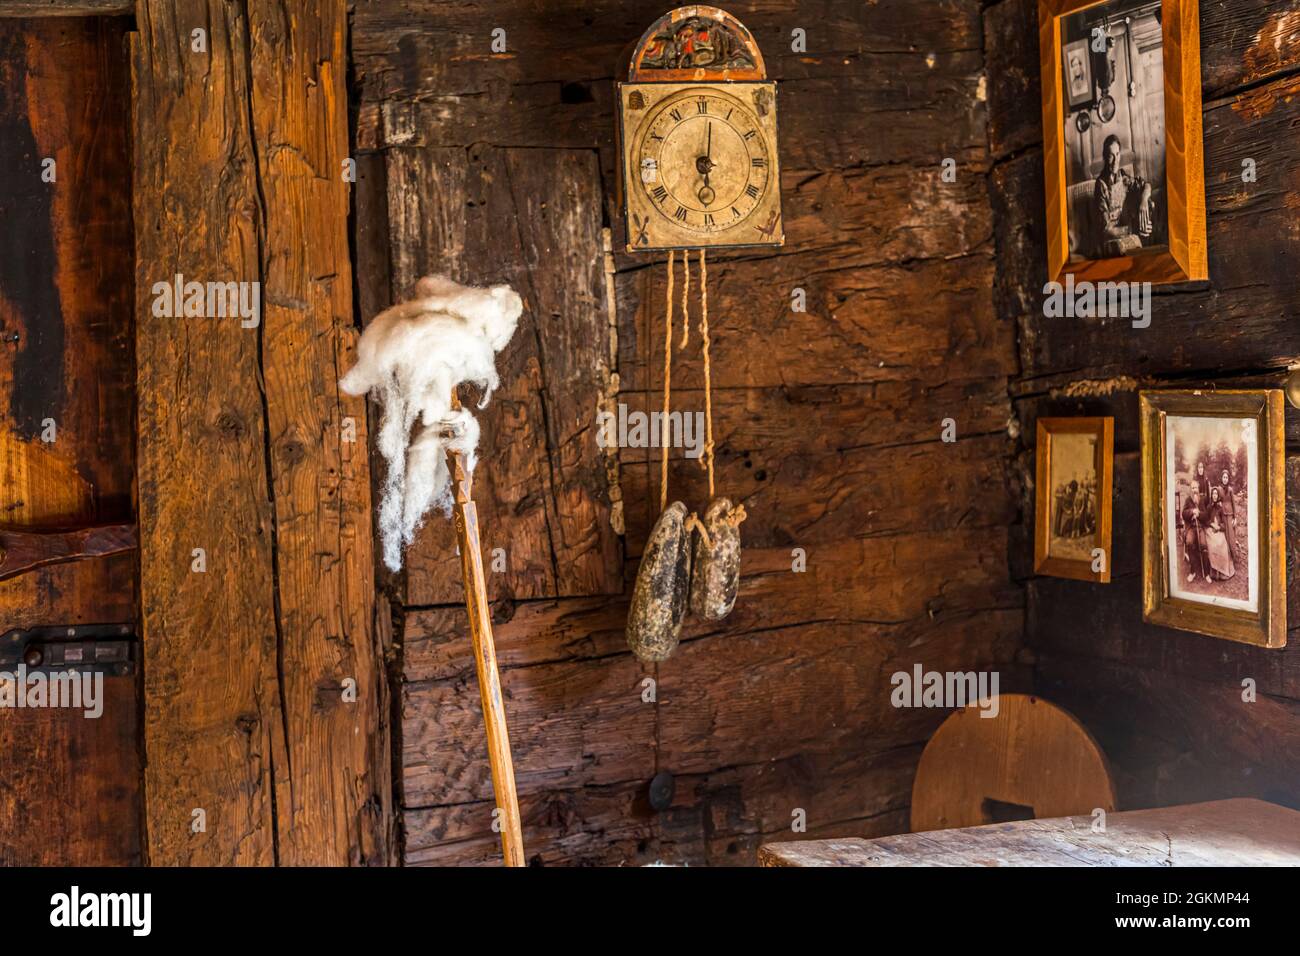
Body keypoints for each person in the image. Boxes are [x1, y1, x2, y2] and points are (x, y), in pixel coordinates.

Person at [1092, 134, 1153, 257]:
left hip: (1127, 235)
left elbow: (1146, 185)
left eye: (1118, 154)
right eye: (1111, 156)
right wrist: (1133, 229)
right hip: (1109, 241)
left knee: (1151, 204)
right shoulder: (1101, 185)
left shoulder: (1124, 178)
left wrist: (1144, 201)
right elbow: (1106, 230)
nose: (1115, 161)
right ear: (1105, 157)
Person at [1205, 487, 1235, 581]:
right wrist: (1212, 525)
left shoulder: (1220, 508)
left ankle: (1222, 571)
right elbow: (1206, 520)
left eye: (1216, 494)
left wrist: (1219, 527)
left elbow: (1223, 524)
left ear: (1218, 496)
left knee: (1221, 543)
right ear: (1211, 495)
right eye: (1213, 494)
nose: (1214, 496)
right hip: (1210, 530)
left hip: (1219, 531)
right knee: (1213, 544)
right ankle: (1214, 571)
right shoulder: (1209, 507)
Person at [1182, 489, 1210, 583]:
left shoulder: (1201, 500)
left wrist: (1199, 514)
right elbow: (1183, 514)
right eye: (1192, 488)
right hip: (1191, 528)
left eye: (1196, 488)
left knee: (1204, 545)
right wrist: (1192, 511)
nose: (1194, 490)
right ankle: (1192, 572)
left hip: (1200, 528)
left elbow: (1206, 516)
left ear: (1198, 490)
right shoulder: (1188, 500)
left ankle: (1206, 573)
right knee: (1189, 542)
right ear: (1190, 489)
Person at [1217, 470, 1239, 565]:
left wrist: (1235, 517)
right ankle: (1227, 557)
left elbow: (1233, 504)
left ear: (1228, 479)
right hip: (1223, 515)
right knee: (1225, 536)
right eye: (1223, 477)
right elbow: (1217, 500)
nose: (1225, 479)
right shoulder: (1218, 489)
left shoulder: (1230, 489)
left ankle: (1234, 557)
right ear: (1221, 478)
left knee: (1231, 537)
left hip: (1230, 515)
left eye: (1226, 477)